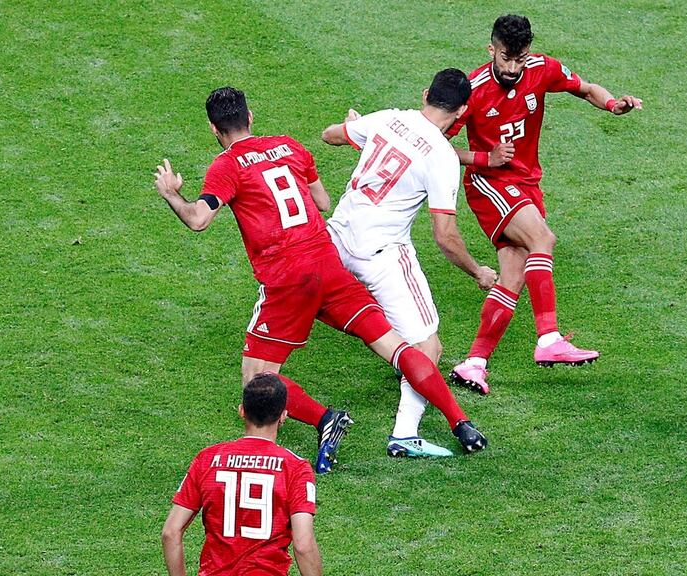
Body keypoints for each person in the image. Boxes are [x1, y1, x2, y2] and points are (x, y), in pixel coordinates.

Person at [153, 87, 488, 472]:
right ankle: (459, 421)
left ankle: (325, 419)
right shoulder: (289, 147)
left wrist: (172, 195)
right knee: (397, 346)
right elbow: (323, 202)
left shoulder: (226, 166)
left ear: (214, 128)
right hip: (329, 265)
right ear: (250, 117)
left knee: (255, 383)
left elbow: (198, 218)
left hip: (288, 278)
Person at [446, 14, 642, 395]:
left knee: (514, 276)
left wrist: (613, 104)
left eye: (520, 59)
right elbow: (433, 143)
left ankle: (474, 363)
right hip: (490, 184)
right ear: (492, 50)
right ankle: (549, 338)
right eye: (506, 58)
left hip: (526, 184)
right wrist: (484, 159)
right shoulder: (473, 89)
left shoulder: (542, 69)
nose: (514, 68)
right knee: (543, 239)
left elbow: (585, 88)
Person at [320, 69, 497, 458]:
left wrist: (355, 127)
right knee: (428, 346)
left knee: (304, 301)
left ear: (425, 94)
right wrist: (478, 271)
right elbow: (445, 237)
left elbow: (330, 135)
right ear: (462, 110)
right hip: (381, 254)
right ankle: (404, 432)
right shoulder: (444, 158)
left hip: (336, 239)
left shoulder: (388, 118)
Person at [161, 373, 322, 576]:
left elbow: (170, 533)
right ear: (283, 416)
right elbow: (303, 544)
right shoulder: (295, 468)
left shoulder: (207, 460)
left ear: (242, 411)